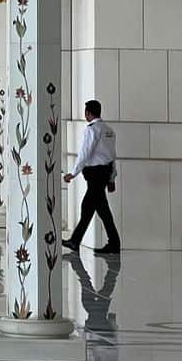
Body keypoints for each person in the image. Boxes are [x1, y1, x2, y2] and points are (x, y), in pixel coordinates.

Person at [63, 99, 121, 255]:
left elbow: (84, 153)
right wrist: (111, 178)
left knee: (90, 207)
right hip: (105, 173)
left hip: (95, 175)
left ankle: (76, 241)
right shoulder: (109, 130)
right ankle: (112, 244)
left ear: (88, 113)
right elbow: (113, 156)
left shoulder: (92, 130)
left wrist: (73, 173)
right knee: (100, 210)